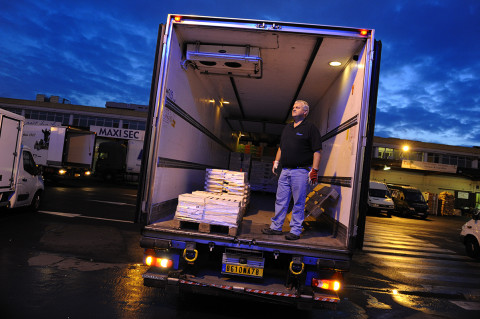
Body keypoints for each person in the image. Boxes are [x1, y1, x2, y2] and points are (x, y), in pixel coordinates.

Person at [262, 100, 322, 240]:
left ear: (305, 112)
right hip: (285, 171)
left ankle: (295, 230)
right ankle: (276, 227)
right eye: (293, 107)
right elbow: (281, 147)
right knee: (280, 200)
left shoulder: (310, 128)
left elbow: (317, 150)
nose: (293, 109)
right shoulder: (288, 128)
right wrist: (276, 162)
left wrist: (314, 170)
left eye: (297, 107)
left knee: (298, 202)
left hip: (300, 172)